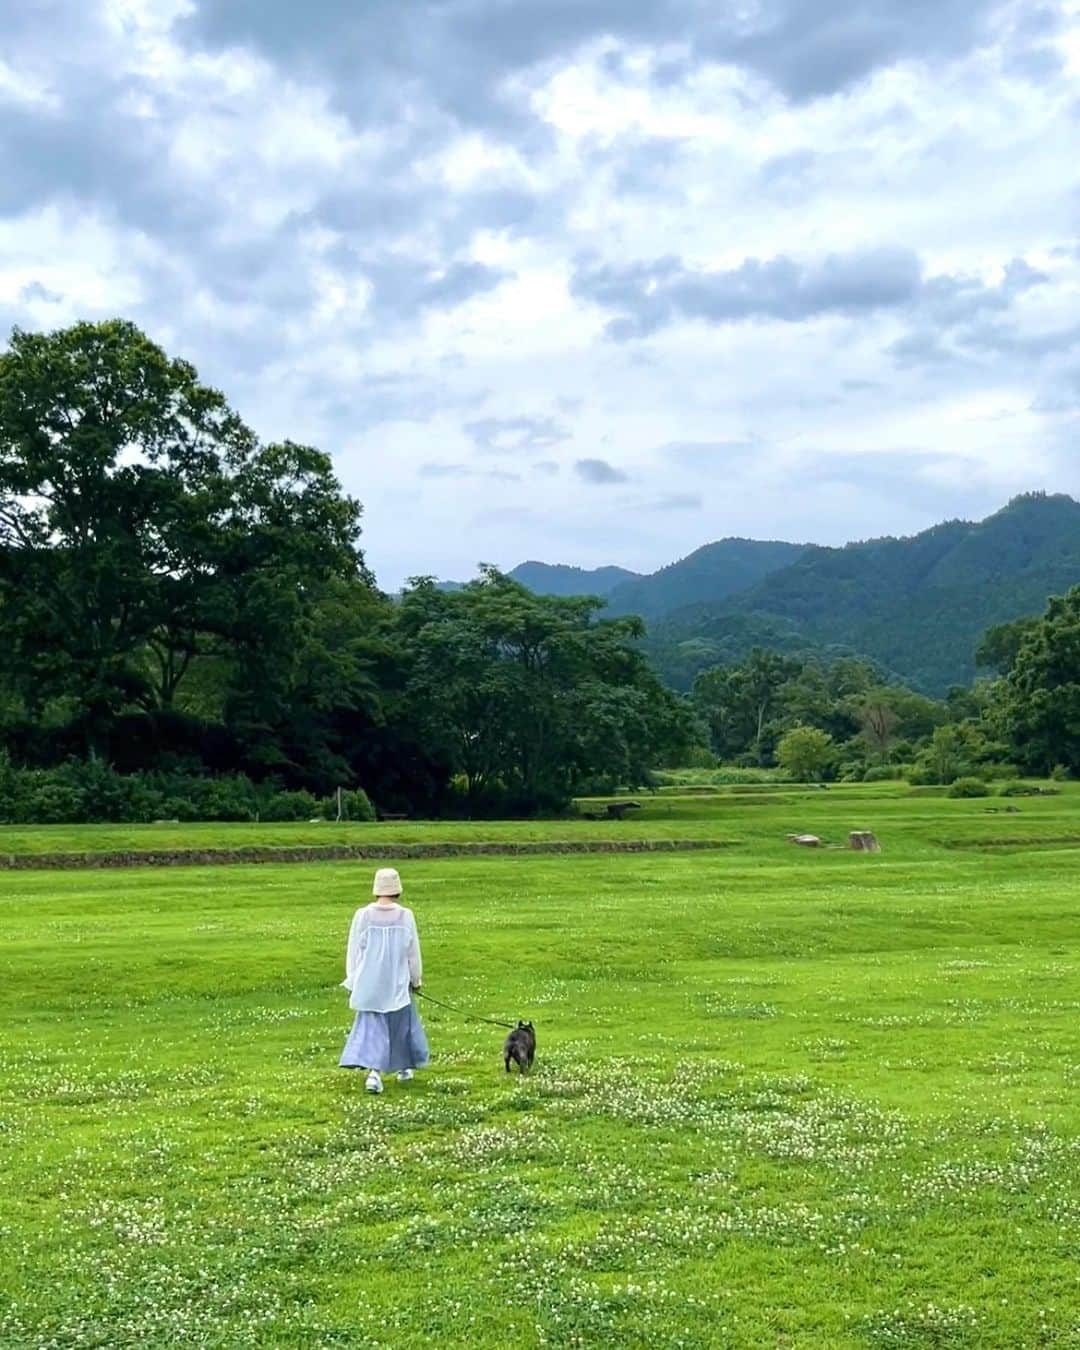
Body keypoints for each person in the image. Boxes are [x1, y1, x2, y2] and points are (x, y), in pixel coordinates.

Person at [339, 867, 429, 1094]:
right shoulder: (405, 916)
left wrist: (354, 978)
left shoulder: (363, 915)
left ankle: (378, 1072)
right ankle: (394, 1069)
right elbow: (413, 952)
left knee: (374, 1027)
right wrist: (416, 979)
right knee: (401, 1024)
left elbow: (355, 951)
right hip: (397, 981)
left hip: (371, 982)